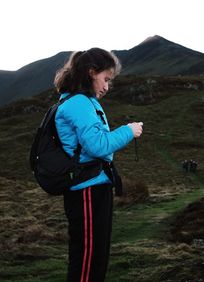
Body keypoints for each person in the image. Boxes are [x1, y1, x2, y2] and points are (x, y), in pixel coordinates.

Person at [53, 47, 143, 282]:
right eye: (106, 79)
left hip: (94, 186)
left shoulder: (84, 102)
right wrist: (128, 131)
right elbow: (98, 146)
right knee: (88, 258)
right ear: (91, 72)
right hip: (86, 190)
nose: (107, 87)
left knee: (96, 255)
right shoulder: (79, 103)